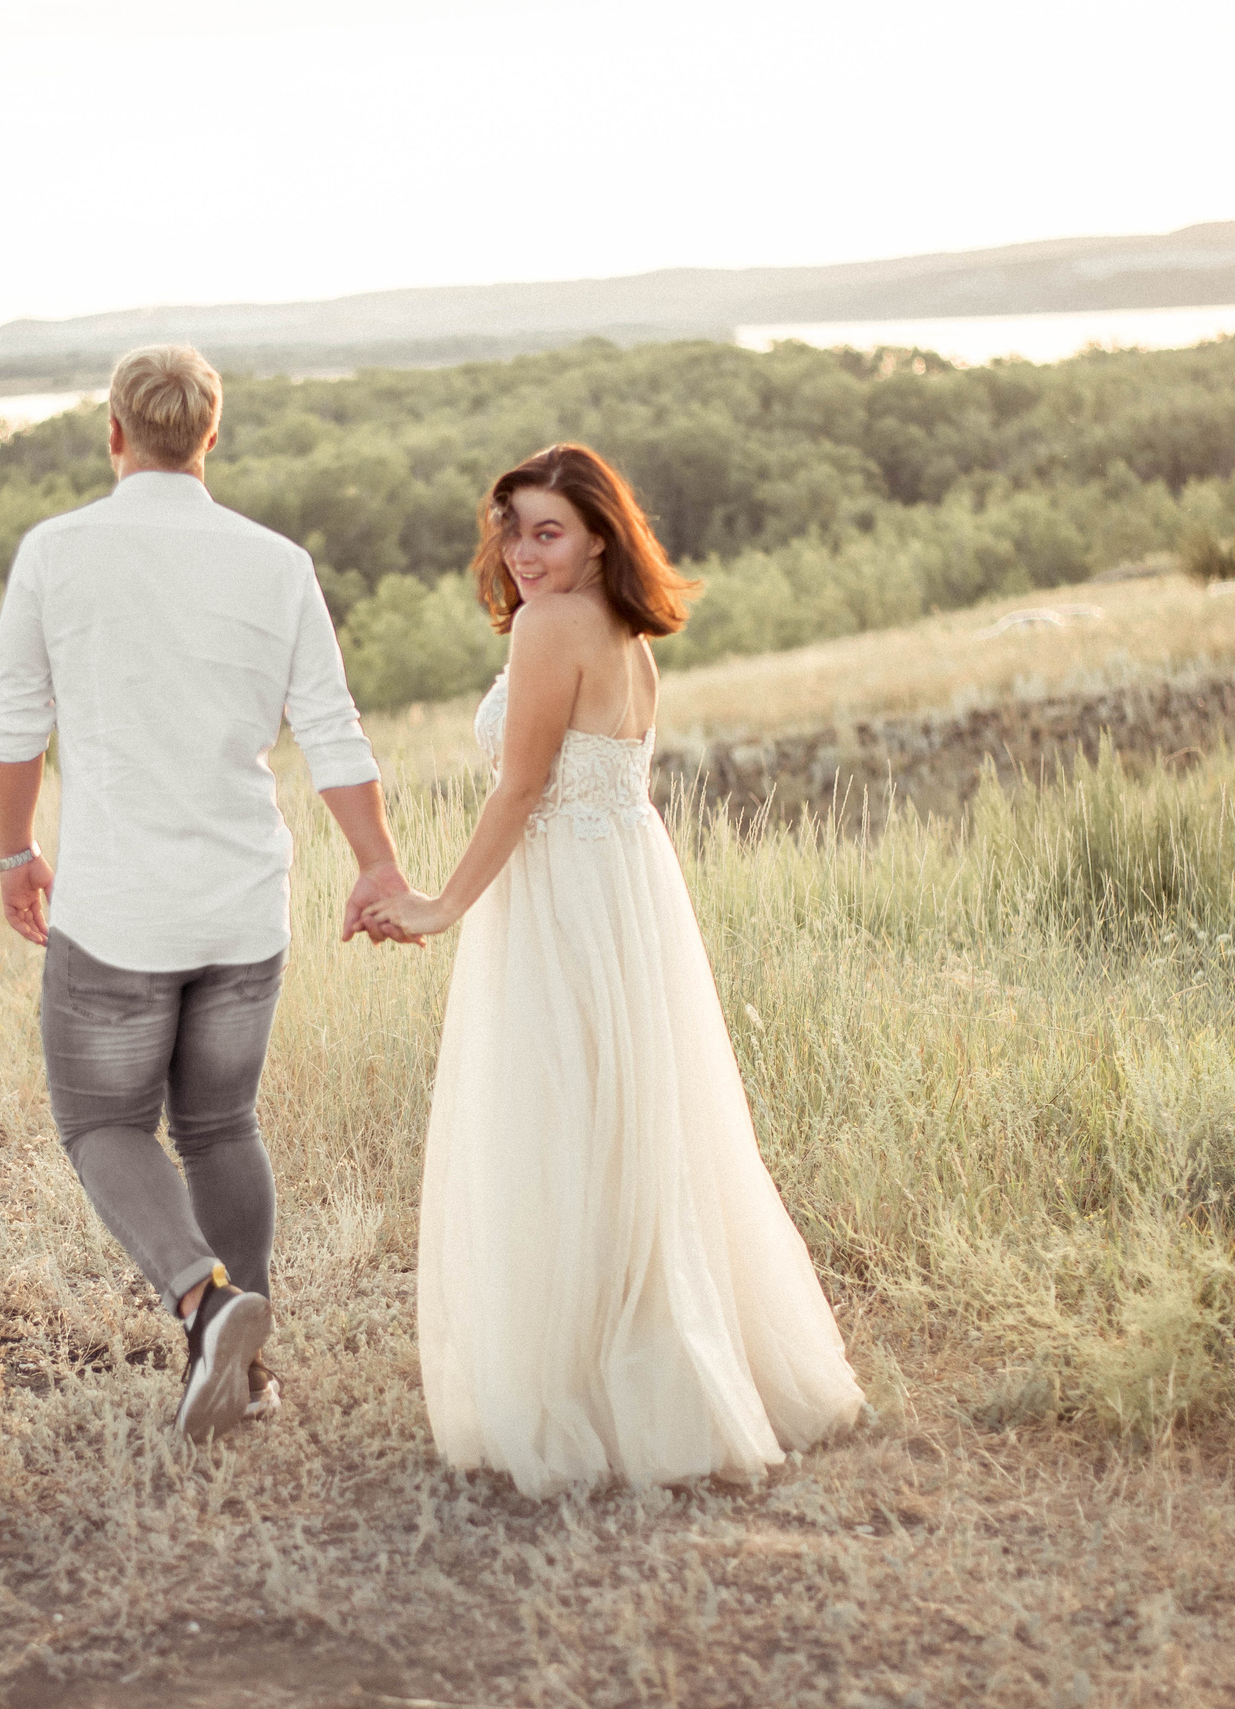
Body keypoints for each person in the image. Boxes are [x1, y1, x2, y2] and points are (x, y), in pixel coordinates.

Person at [364, 444, 863, 1495]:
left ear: (598, 531)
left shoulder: (550, 627)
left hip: (563, 893)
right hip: (624, 884)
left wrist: (442, 905)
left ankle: (605, 1389)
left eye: (546, 529)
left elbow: (519, 791)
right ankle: (653, 1366)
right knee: (629, 1124)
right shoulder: (626, 631)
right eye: (509, 528)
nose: (521, 550)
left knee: (557, 1121)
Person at [0, 344, 415, 1441]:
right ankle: (251, 1372)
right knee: (220, 1121)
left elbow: (14, 718)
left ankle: (206, 1298)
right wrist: (375, 860)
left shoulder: (56, 550)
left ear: (114, 434)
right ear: (210, 436)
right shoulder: (276, 562)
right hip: (240, 902)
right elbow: (330, 727)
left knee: (99, 1120)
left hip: (120, 908)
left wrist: (12, 849)